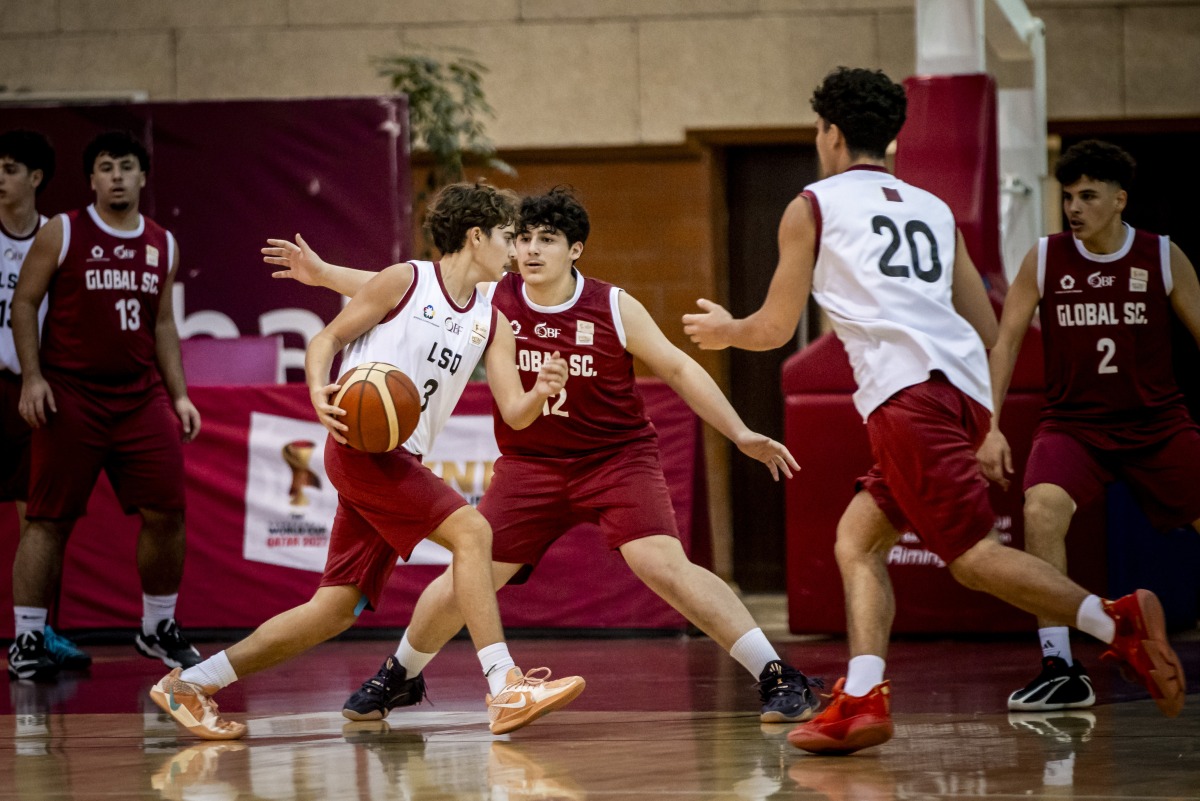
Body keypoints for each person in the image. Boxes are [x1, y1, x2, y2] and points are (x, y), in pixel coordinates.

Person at [682, 67, 1186, 755]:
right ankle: (862, 694)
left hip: (906, 396)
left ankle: (1114, 619)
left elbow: (774, 329)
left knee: (973, 557)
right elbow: (984, 318)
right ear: (890, 138)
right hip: (957, 391)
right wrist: (987, 421)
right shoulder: (933, 206)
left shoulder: (813, 204)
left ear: (828, 134)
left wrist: (727, 328)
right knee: (856, 541)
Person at [264, 187, 822, 725]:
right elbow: (401, 287)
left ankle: (774, 673)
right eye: (524, 237)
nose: (530, 249)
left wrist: (741, 431)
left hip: (615, 459)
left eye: (547, 239)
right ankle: (400, 674)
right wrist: (323, 274)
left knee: (662, 565)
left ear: (574, 250)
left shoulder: (612, 304)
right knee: (472, 568)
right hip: (531, 465)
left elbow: (677, 367)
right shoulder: (493, 295)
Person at [150, 182, 585, 741]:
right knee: (474, 531)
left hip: (401, 457)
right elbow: (326, 339)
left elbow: (516, 413)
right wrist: (316, 390)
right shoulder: (405, 281)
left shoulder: (491, 320)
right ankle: (505, 685)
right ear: (476, 237)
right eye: (508, 236)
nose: (516, 249)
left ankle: (190, 684)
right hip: (363, 450)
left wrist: (543, 389)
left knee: (334, 608)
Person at [978, 139, 1200, 711]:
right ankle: (1059, 666)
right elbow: (1004, 344)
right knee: (1040, 510)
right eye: (1068, 196)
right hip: (1074, 425)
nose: (1074, 207)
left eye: (1088, 196)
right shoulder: (1046, 257)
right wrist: (992, 425)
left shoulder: (1163, 255)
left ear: (1120, 200)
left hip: (1157, 423)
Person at [10, 130, 202, 682]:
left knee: (168, 511)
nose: (116, 175)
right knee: (47, 519)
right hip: (70, 393)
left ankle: (157, 627)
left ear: (142, 178)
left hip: (139, 397)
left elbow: (162, 323)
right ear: (91, 179)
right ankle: (27, 639)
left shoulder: (162, 242)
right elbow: (24, 304)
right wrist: (33, 379)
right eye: (104, 167)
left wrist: (180, 395)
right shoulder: (64, 230)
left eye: (125, 166)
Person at [1, 130, 91, 675]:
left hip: (28, 389)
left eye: (10, 168)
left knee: (41, 520)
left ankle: (36, 635)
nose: (0, 177)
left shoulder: (56, 239)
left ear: (35, 178)